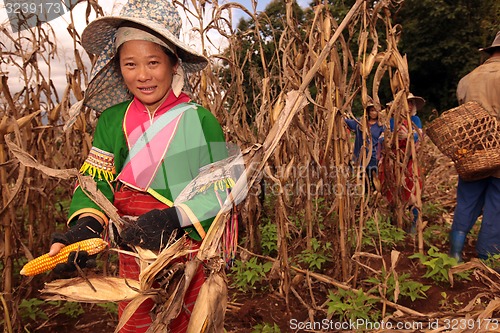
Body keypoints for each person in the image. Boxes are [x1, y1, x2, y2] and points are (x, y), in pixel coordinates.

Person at [47, 0, 237, 332]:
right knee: (137, 319)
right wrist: (88, 227)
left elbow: (222, 188)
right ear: (117, 67)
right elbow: (96, 182)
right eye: (130, 64)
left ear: (174, 64)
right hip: (132, 250)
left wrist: (172, 218)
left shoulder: (199, 120)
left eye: (153, 62)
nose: (143, 75)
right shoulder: (112, 121)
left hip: (185, 252)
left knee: (184, 320)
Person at [449, 31, 500, 263]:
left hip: (471, 152)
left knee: (467, 200)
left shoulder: (467, 79)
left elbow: (461, 115)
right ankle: (488, 257)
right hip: (498, 150)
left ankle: (455, 253)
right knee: (496, 204)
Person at [378, 92, 425, 233]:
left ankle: (413, 224)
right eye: (405, 103)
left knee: (413, 189)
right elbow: (382, 138)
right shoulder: (391, 121)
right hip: (393, 161)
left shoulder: (415, 120)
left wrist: (409, 136)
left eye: (411, 103)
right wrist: (392, 138)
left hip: (410, 160)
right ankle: (393, 222)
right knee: (392, 190)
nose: (408, 106)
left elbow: (420, 136)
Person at [344, 100, 385, 189]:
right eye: (372, 110)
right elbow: (347, 122)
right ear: (368, 112)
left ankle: (375, 198)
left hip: (374, 157)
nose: (374, 113)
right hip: (361, 157)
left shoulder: (381, 126)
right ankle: (366, 200)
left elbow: (384, 139)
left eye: (376, 110)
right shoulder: (360, 123)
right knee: (364, 182)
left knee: (375, 181)